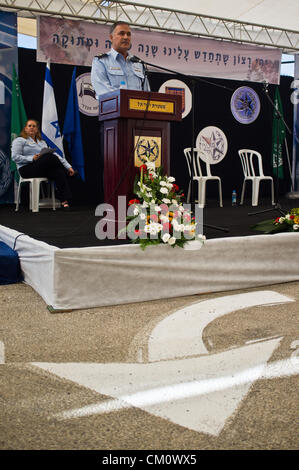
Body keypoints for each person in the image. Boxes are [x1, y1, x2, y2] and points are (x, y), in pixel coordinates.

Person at [11, 119, 75, 209]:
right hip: (26, 169)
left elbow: (55, 155)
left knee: (58, 171)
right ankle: (68, 174)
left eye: (34, 126)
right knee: (49, 157)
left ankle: (64, 201)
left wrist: (68, 166)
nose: (32, 128)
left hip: (41, 168)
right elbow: (15, 157)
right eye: (29, 126)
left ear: (37, 129)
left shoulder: (42, 142)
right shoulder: (19, 140)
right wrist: (31, 158)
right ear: (25, 129)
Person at [91, 21, 150, 97]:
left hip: (137, 108)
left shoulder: (138, 63)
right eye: (121, 33)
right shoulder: (101, 61)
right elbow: (103, 92)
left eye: (128, 34)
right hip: (114, 108)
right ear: (111, 38)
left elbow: (147, 94)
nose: (126, 37)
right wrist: (129, 103)